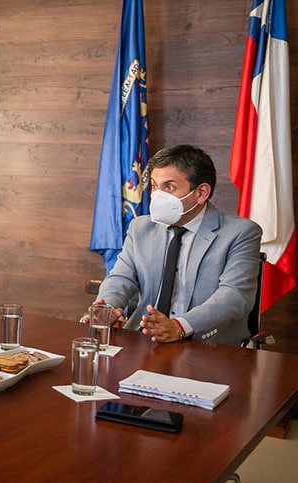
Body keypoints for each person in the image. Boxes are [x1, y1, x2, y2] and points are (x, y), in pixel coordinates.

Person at [90, 144, 262, 345]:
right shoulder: (141, 227)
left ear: (201, 193)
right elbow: (122, 277)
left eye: (169, 187)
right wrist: (107, 307)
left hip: (208, 346)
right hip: (145, 339)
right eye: (155, 186)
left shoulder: (240, 233)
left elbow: (235, 295)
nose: (157, 196)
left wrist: (180, 326)